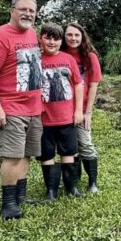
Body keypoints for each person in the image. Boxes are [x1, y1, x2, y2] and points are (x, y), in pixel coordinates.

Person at [0, 0, 42, 220]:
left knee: (26, 155)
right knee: (13, 156)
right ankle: (8, 204)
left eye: (32, 11)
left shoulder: (32, 33)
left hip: (34, 107)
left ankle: (20, 196)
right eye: (23, 9)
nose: (27, 14)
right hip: (11, 107)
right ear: (12, 10)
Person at [38, 22, 83, 201]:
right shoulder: (36, 60)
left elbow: (79, 84)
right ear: (40, 38)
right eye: (48, 38)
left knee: (68, 152)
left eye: (56, 39)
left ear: (60, 41)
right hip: (44, 119)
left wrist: (78, 110)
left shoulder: (68, 59)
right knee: (46, 154)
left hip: (67, 117)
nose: (51, 42)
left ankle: (70, 187)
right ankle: (51, 190)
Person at [62, 21, 102, 193]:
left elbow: (93, 85)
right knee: (69, 146)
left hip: (82, 107)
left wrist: (88, 112)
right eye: (69, 35)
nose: (73, 38)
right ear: (64, 37)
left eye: (77, 35)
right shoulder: (59, 53)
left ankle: (92, 182)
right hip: (62, 108)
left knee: (85, 143)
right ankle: (73, 179)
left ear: (82, 37)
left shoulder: (90, 57)